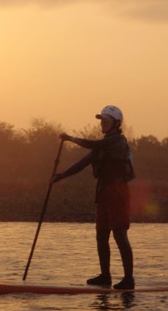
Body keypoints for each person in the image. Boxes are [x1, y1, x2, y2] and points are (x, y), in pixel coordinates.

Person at [51, 105, 136, 289]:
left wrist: (70, 138)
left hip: (118, 192)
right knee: (101, 234)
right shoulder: (103, 145)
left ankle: (129, 279)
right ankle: (105, 276)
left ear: (116, 123)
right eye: (101, 121)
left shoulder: (117, 141)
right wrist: (61, 176)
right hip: (103, 192)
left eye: (106, 121)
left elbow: (94, 144)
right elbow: (82, 163)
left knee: (119, 234)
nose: (102, 124)